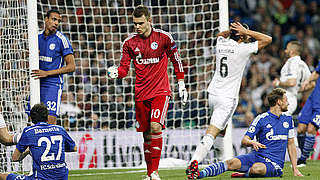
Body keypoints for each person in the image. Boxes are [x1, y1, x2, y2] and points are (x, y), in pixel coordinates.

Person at [107, 5, 187, 180]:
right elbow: (124, 69)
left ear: (149, 21)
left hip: (161, 91)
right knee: (146, 134)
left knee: (155, 126)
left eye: (141, 23)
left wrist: (181, 84)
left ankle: (155, 172)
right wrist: (116, 73)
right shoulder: (129, 43)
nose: (137, 27)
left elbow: (176, 60)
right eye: (135, 23)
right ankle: (150, 173)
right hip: (141, 93)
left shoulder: (164, 38)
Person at [186, 22, 272, 178]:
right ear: (240, 35)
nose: (247, 37)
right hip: (227, 98)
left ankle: (219, 161)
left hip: (212, 94)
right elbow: (268, 39)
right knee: (212, 132)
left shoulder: (221, 43)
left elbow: (220, 35)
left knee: (222, 130)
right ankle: (194, 163)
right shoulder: (243, 49)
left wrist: (233, 31)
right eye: (244, 35)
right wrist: (247, 31)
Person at [188, 88, 303, 179]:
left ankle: (244, 175)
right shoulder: (261, 119)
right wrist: (252, 142)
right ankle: (198, 175)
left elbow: (291, 144)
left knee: (256, 169)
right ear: (279, 102)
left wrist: (295, 169)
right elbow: (244, 140)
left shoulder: (288, 119)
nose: (288, 103)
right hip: (256, 156)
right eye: (286, 100)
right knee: (231, 162)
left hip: (274, 163)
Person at [0, 103, 77, 180]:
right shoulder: (60, 129)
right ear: (47, 117)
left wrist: (28, 151)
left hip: (39, 178)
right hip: (62, 177)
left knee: (2, 176)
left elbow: (15, 158)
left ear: (32, 119)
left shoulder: (28, 132)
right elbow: (74, 148)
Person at [30, 9, 75, 125]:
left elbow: (71, 66)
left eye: (58, 21)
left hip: (52, 85)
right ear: (46, 19)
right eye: (54, 19)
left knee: (49, 122)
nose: (56, 23)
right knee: (31, 121)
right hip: (36, 82)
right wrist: (29, 55)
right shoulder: (36, 38)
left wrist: (47, 73)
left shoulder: (62, 40)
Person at [272, 41, 311, 115]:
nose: (285, 51)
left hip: (287, 98)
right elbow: (312, 84)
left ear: (291, 51)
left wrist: (278, 83)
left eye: (287, 49)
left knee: (278, 123)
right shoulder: (303, 64)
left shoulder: (292, 62)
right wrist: (298, 90)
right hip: (292, 98)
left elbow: (292, 82)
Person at [295, 60, 320, 167]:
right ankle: (305, 152)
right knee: (300, 129)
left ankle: (303, 160)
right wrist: (307, 81)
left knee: (311, 129)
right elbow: (316, 73)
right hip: (312, 100)